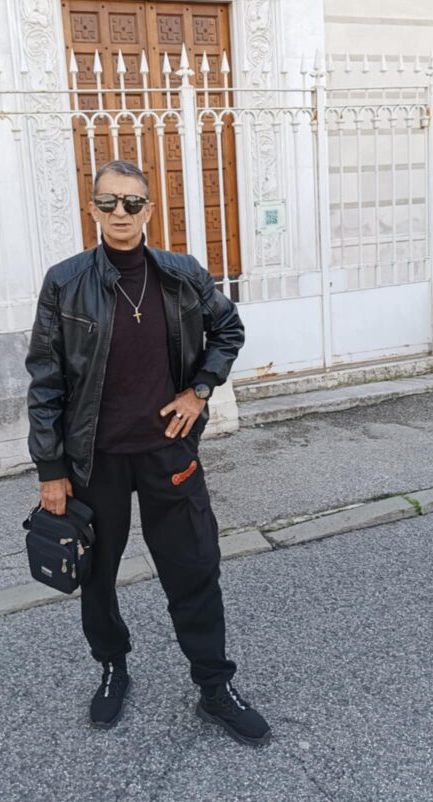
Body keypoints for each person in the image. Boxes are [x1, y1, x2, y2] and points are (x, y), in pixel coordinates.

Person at [25, 159, 271, 746]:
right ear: (92, 209)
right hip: (96, 461)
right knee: (98, 577)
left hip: (168, 453)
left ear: (148, 210)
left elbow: (228, 330)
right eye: (109, 202)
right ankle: (113, 668)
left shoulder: (182, 275)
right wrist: (51, 469)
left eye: (132, 202)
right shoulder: (65, 282)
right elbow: (46, 378)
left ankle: (215, 687)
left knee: (195, 569)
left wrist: (199, 389)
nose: (121, 213)